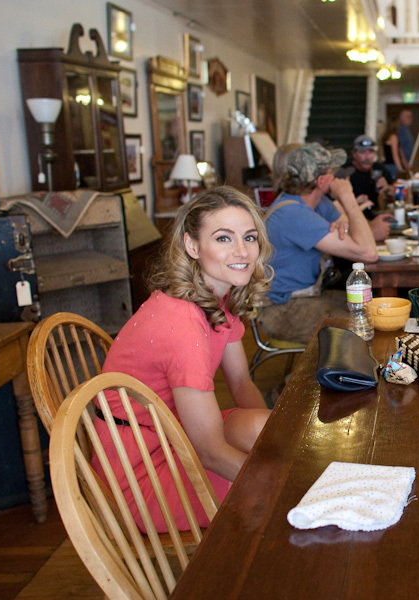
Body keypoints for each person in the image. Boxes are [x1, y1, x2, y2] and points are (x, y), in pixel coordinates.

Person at [93, 186, 273, 532]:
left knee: (270, 432)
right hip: (142, 469)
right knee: (277, 492)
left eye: (249, 237)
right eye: (223, 239)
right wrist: (278, 479)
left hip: (172, 436)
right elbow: (209, 452)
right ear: (192, 246)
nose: (242, 251)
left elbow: (240, 382)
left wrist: (274, 439)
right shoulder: (182, 325)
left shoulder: (216, 298)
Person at [259, 143, 378, 344]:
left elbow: (355, 231)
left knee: (374, 310)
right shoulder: (294, 215)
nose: (337, 178)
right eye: (332, 173)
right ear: (322, 180)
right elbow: (368, 252)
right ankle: (323, 374)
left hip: (307, 296)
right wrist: (347, 197)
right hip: (283, 309)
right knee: (364, 325)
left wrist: (345, 221)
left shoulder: (309, 202)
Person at [339, 134, 396, 242]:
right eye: (362, 152)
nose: (367, 156)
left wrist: (388, 188)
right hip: (355, 225)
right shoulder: (345, 173)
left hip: (378, 218)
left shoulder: (379, 169)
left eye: (371, 152)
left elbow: (397, 193)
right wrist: (354, 202)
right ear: (354, 154)